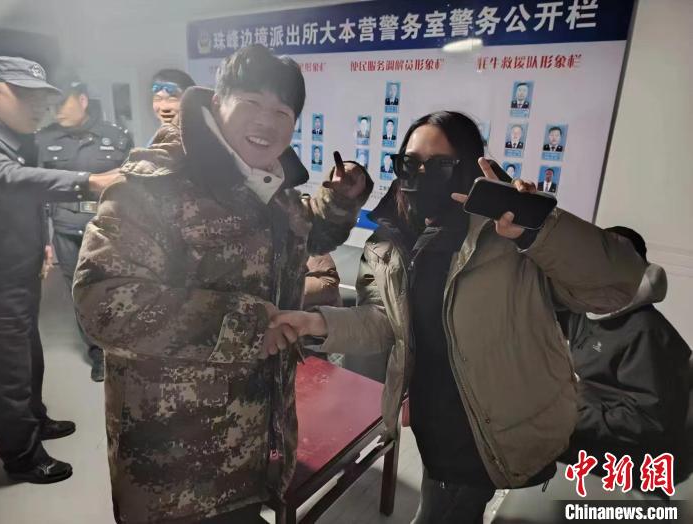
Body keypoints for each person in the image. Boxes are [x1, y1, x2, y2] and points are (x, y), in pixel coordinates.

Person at [271, 111, 645, 523]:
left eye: (440, 166)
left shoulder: (508, 235)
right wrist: (318, 323)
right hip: (434, 419)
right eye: (411, 163)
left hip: (490, 427)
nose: (421, 176)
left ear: (467, 169)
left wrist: (538, 227)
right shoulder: (390, 240)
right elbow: (384, 322)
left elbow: (618, 284)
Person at [73, 44, 371, 523]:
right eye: (251, 102)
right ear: (217, 102)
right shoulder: (153, 188)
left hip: (253, 447)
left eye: (282, 112)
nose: (267, 121)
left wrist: (338, 202)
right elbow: (103, 305)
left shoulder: (270, 184)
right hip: (176, 471)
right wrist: (249, 325)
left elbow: (300, 236)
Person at [0, 56, 118, 484]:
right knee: (8, 371)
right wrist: (90, 182)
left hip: (19, 269)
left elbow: (29, 199)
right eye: (25, 96)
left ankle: (36, 419)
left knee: (29, 355)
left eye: (42, 98)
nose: (39, 107)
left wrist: (42, 241)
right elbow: (9, 179)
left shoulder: (15, 137)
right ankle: (22, 456)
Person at [564, 227, 691, 472]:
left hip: (624, 457)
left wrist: (567, 416)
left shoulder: (646, 332)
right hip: (584, 425)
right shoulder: (584, 313)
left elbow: (647, 420)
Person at [36, 72, 133, 382]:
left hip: (108, 229)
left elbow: (132, 187)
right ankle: (98, 353)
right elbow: (38, 194)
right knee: (81, 296)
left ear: (82, 100)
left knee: (114, 291)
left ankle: (122, 349)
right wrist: (43, 240)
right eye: (52, 105)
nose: (56, 111)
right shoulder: (44, 140)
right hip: (67, 230)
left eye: (62, 103)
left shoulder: (116, 136)